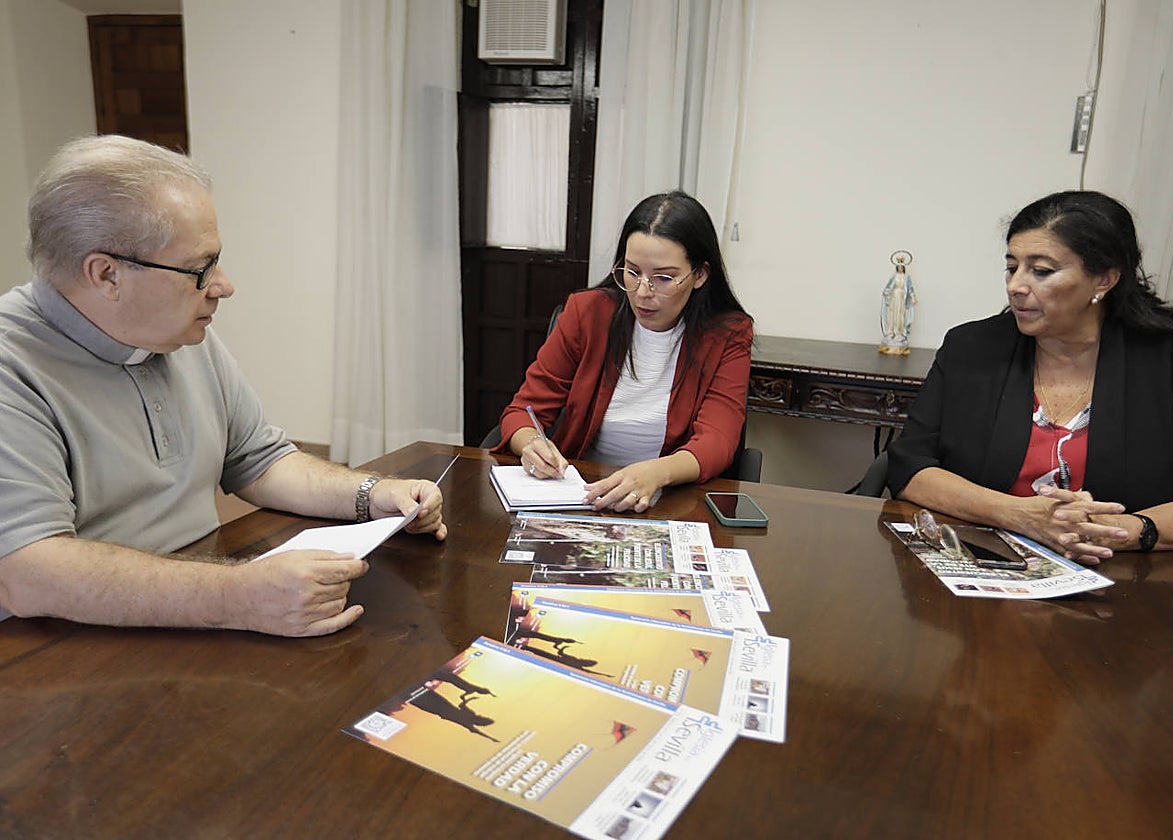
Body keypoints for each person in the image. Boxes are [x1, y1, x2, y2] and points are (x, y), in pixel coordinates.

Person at [0, 135, 446, 636]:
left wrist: (371, 494)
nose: (223, 285)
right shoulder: (11, 367)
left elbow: (258, 461)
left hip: (193, 607)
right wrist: (243, 596)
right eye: (199, 269)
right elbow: (27, 571)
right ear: (107, 275)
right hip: (58, 649)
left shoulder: (175, 333)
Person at [888, 190, 1173, 564]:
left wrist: (1129, 530)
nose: (1016, 285)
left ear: (1104, 279)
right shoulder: (972, 347)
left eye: (1041, 271)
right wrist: (1017, 514)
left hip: (1131, 578)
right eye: (1012, 266)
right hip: (985, 566)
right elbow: (910, 468)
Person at [491, 191, 753, 512]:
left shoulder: (727, 334)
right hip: (583, 494)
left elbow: (719, 438)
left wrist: (655, 473)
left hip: (669, 501)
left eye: (664, 278)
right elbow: (521, 412)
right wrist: (531, 444)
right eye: (632, 272)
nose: (643, 292)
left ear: (700, 275)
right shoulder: (587, 314)